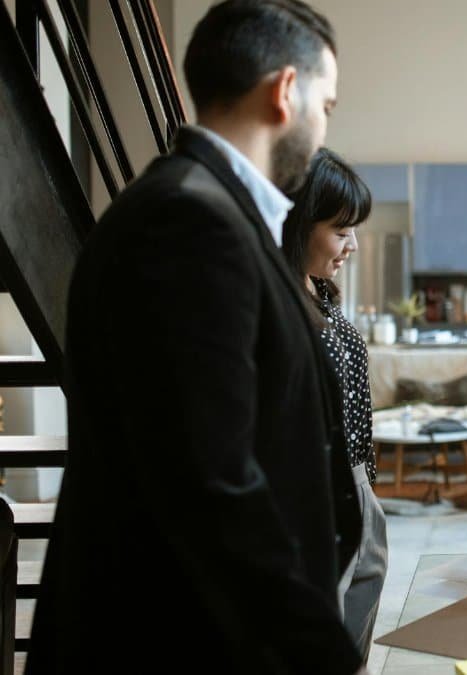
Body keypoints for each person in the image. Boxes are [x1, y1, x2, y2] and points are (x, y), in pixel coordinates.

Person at [28, 2, 365, 673]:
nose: (325, 124)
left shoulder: (206, 211)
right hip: (179, 642)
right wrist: (320, 649)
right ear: (286, 92)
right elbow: (212, 484)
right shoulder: (190, 222)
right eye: (325, 104)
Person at [283, 147, 386, 658]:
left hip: (353, 479)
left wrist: (365, 483)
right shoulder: (281, 305)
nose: (354, 246)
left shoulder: (319, 293)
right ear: (300, 223)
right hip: (316, 490)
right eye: (341, 231)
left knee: (357, 611)